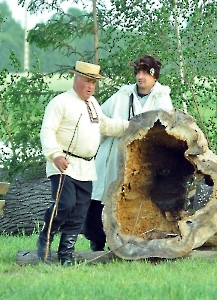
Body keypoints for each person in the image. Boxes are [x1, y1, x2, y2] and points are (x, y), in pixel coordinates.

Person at [37, 61, 129, 265]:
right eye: (87, 81)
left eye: (94, 83)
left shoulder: (93, 103)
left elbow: (106, 125)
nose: (90, 86)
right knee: (65, 204)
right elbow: (47, 130)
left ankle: (65, 254)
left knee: (79, 212)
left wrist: (131, 126)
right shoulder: (60, 102)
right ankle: (45, 237)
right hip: (64, 164)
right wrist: (54, 154)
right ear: (76, 79)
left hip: (86, 168)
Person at [83, 54, 174, 251]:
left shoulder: (162, 99)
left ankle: (129, 243)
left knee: (132, 199)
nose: (140, 77)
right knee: (102, 197)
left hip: (142, 159)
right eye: (138, 72)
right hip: (113, 154)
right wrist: (89, 148)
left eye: (145, 73)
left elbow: (164, 131)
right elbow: (100, 118)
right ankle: (97, 242)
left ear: (154, 76)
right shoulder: (122, 96)